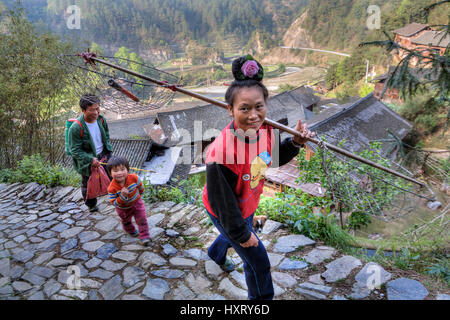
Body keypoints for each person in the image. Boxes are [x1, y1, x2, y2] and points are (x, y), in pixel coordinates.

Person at [202, 55, 316, 300]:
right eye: (244, 108)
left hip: (247, 202)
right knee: (259, 264)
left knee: (232, 236)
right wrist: (244, 236)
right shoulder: (221, 155)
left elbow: (272, 157)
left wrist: (295, 142)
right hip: (227, 210)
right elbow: (224, 206)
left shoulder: (263, 130)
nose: (253, 115)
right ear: (230, 109)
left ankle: (216, 254)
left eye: (259, 106)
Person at [68, 94, 113, 212]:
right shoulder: (76, 128)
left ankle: (117, 198)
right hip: (88, 159)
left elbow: (106, 135)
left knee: (113, 176)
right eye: (92, 110)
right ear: (83, 110)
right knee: (88, 183)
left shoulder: (101, 120)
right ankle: (91, 205)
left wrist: (108, 148)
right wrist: (90, 159)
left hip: (104, 154)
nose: (96, 112)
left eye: (97, 108)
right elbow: (75, 150)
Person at [106, 156, 151, 246]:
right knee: (126, 221)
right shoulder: (112, 188)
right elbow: (114, 203)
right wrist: (122, 196)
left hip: (137, 203)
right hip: (123, 209)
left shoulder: (134, 178)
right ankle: (130, 230)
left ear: (128, 169)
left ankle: (145, 236)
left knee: (142, 219)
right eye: (115, 171)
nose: (119, 173)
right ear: (110, 174)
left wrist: (140, 193)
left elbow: (140, 186)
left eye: (122, 169)